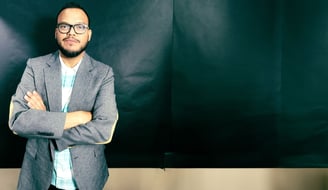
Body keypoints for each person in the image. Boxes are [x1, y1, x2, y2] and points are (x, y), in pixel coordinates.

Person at [8, 2, 118, 190]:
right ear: (56, 32)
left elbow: (104, 129)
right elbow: (17, 121)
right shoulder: (35, 67)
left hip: (87, 178)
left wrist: (45, 121)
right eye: (64, 26)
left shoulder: (104, 73)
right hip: (40, 175)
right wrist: (79, 117)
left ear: (88, 34)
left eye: (80, 27)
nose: (71, 33)